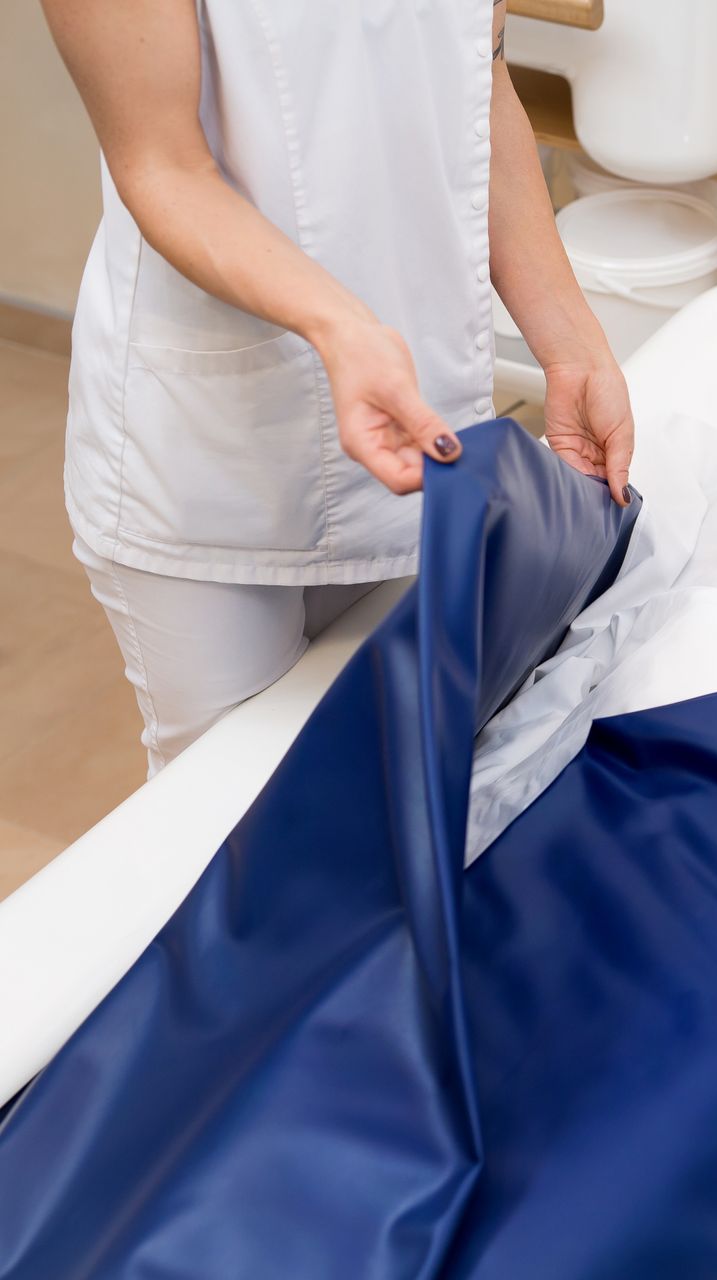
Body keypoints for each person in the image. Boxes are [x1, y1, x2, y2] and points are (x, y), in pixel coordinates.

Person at [41, 0, 635, 775]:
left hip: (415, 424)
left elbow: (477, 84)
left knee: (402, 780)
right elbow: (162, 164)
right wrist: (339, 326)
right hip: (213, 457)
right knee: (235, 820)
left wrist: (573, 347)